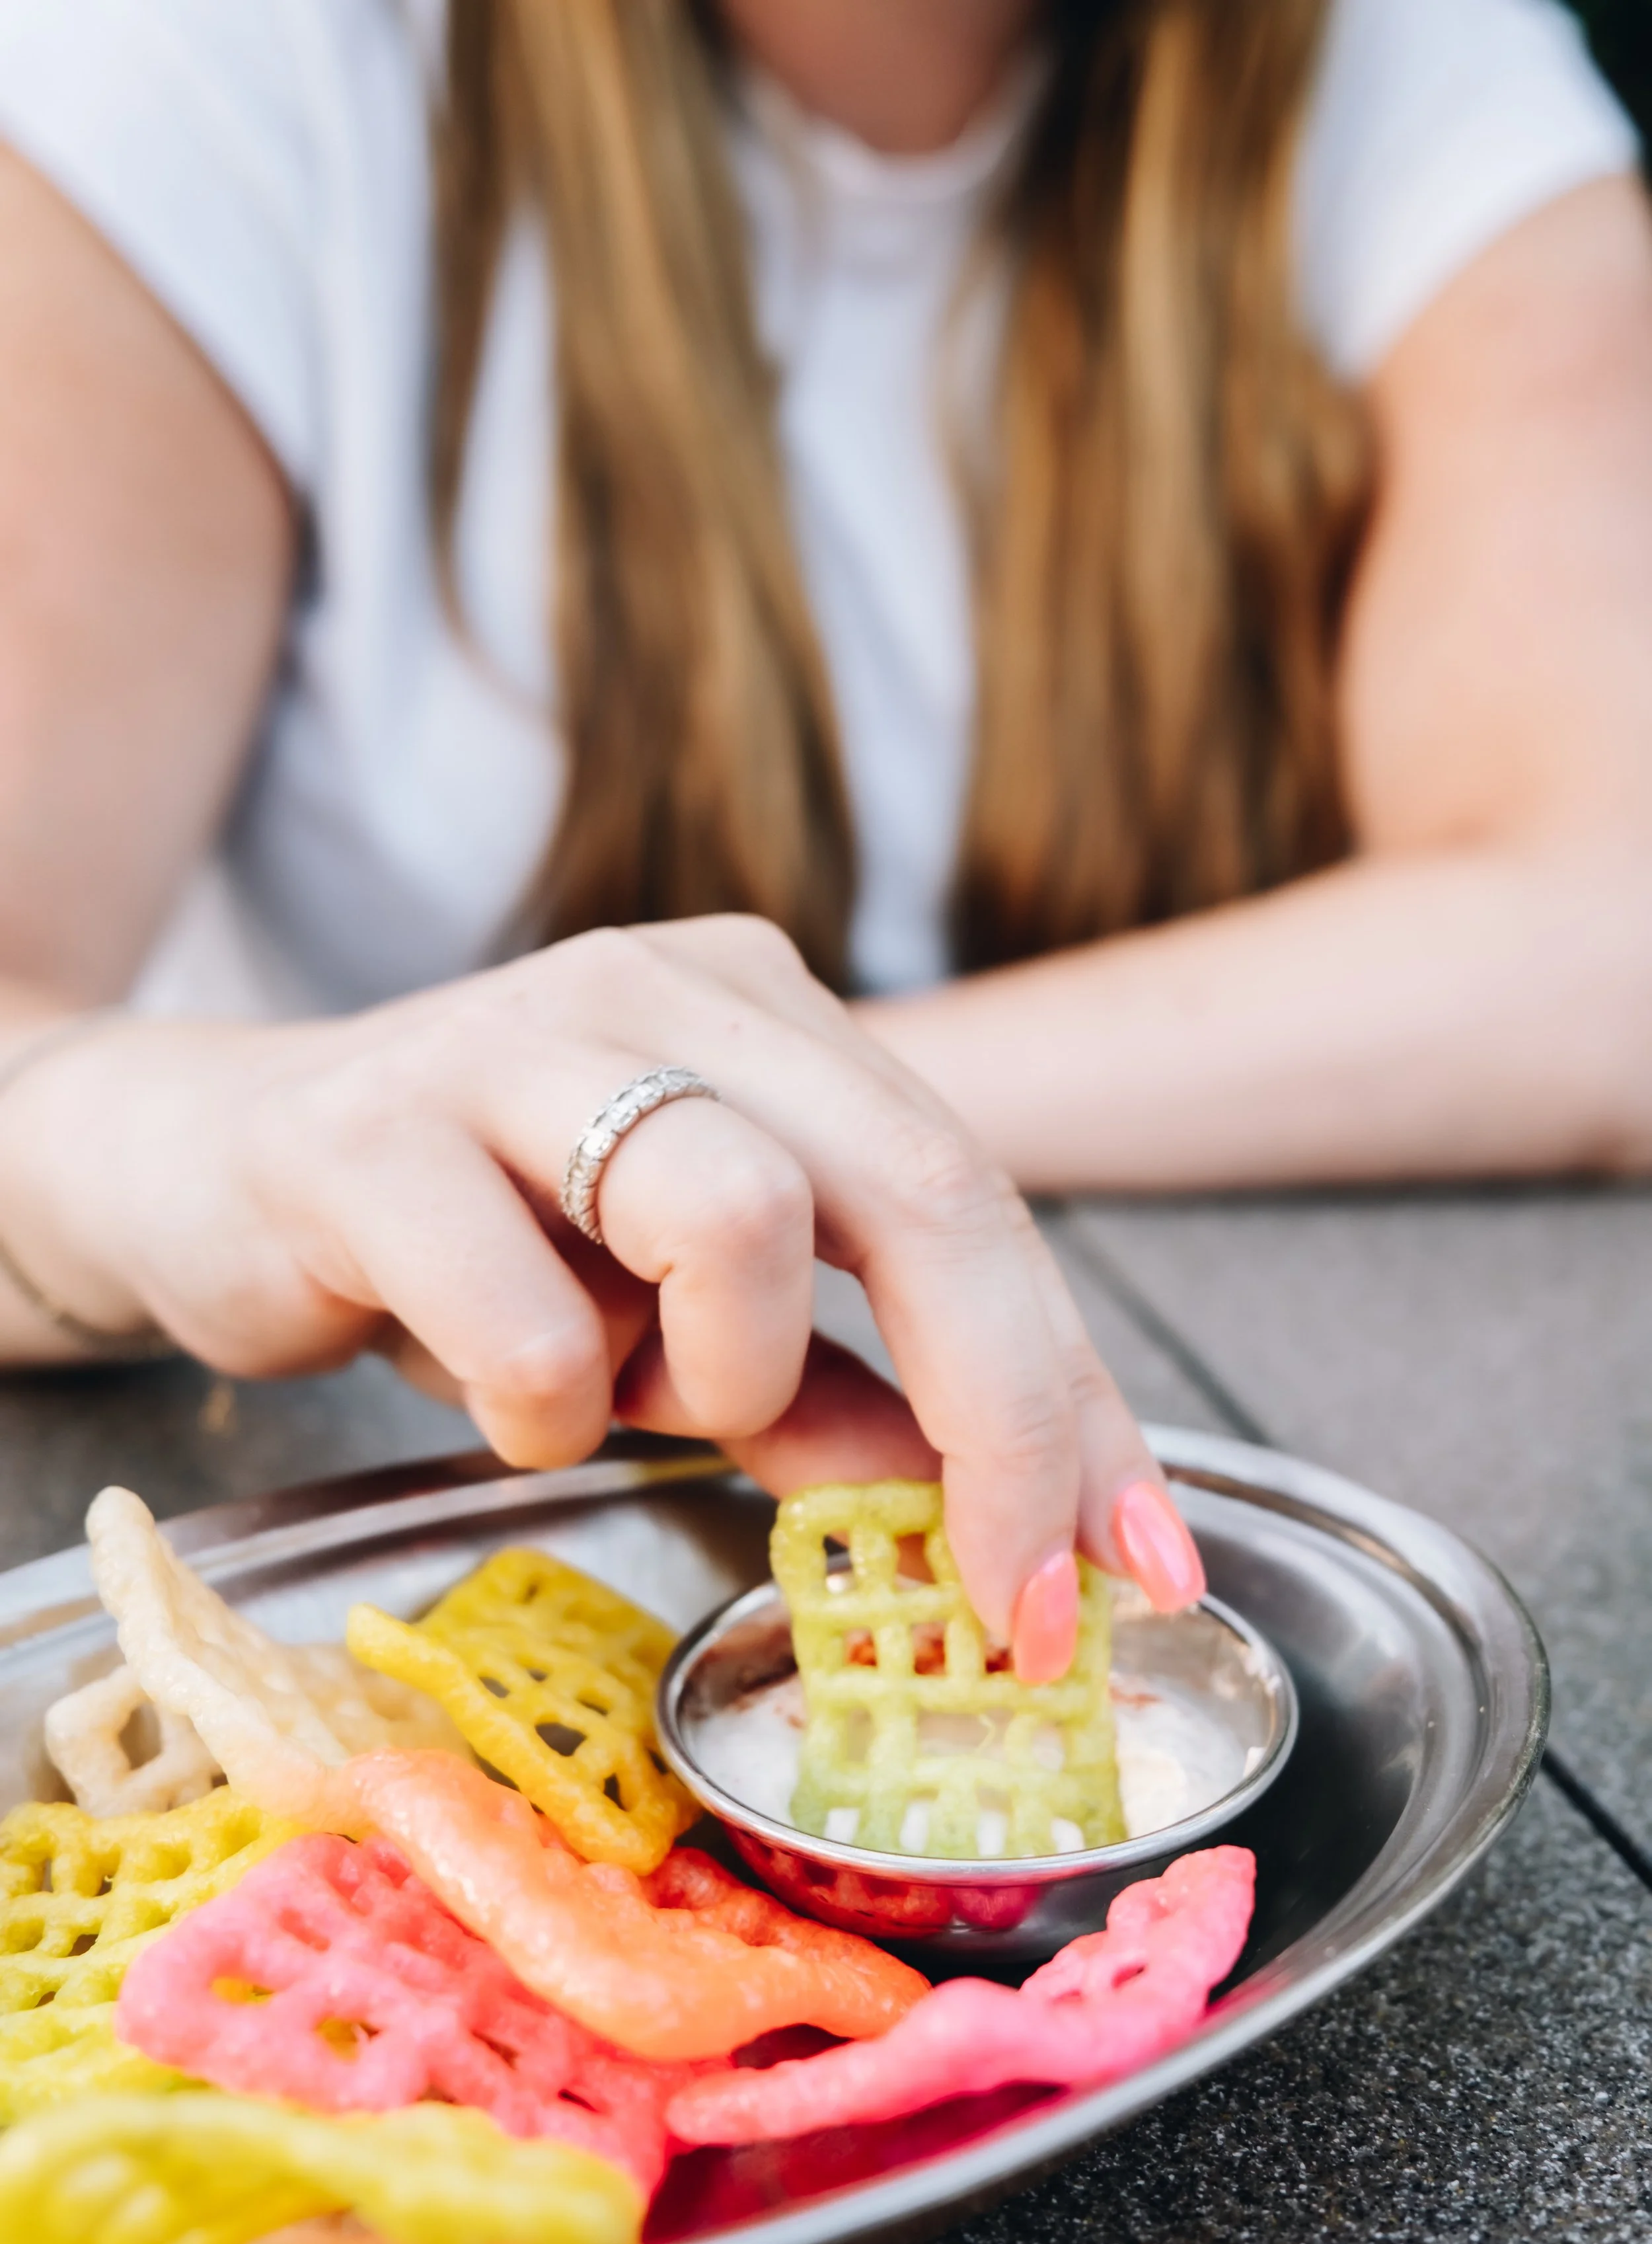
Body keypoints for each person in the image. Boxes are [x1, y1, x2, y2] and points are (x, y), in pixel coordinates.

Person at [0, 0, 1643, 1672]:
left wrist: (761, 1139)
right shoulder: (204, 65)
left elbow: (1609, 942)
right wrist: (220, 1137)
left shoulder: (1404, 60)